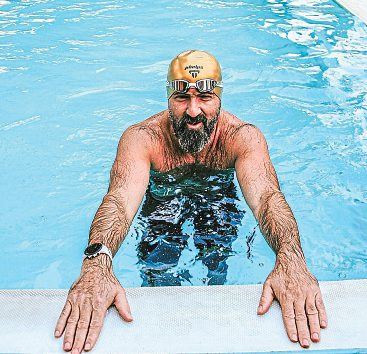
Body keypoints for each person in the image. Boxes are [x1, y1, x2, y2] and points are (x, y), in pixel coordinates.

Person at [54, 50, 328, 353]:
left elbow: (266, 198)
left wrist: (291, 258)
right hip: (163, 200)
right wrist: (96, 264)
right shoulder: (143, 138)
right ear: (168, 97)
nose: (194, 111)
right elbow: (119, 201)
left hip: (217, 198)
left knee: (217, 258)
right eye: (182, 97)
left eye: (205, 97)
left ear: (220, 98)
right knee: (159, 269)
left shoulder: (242, 137)